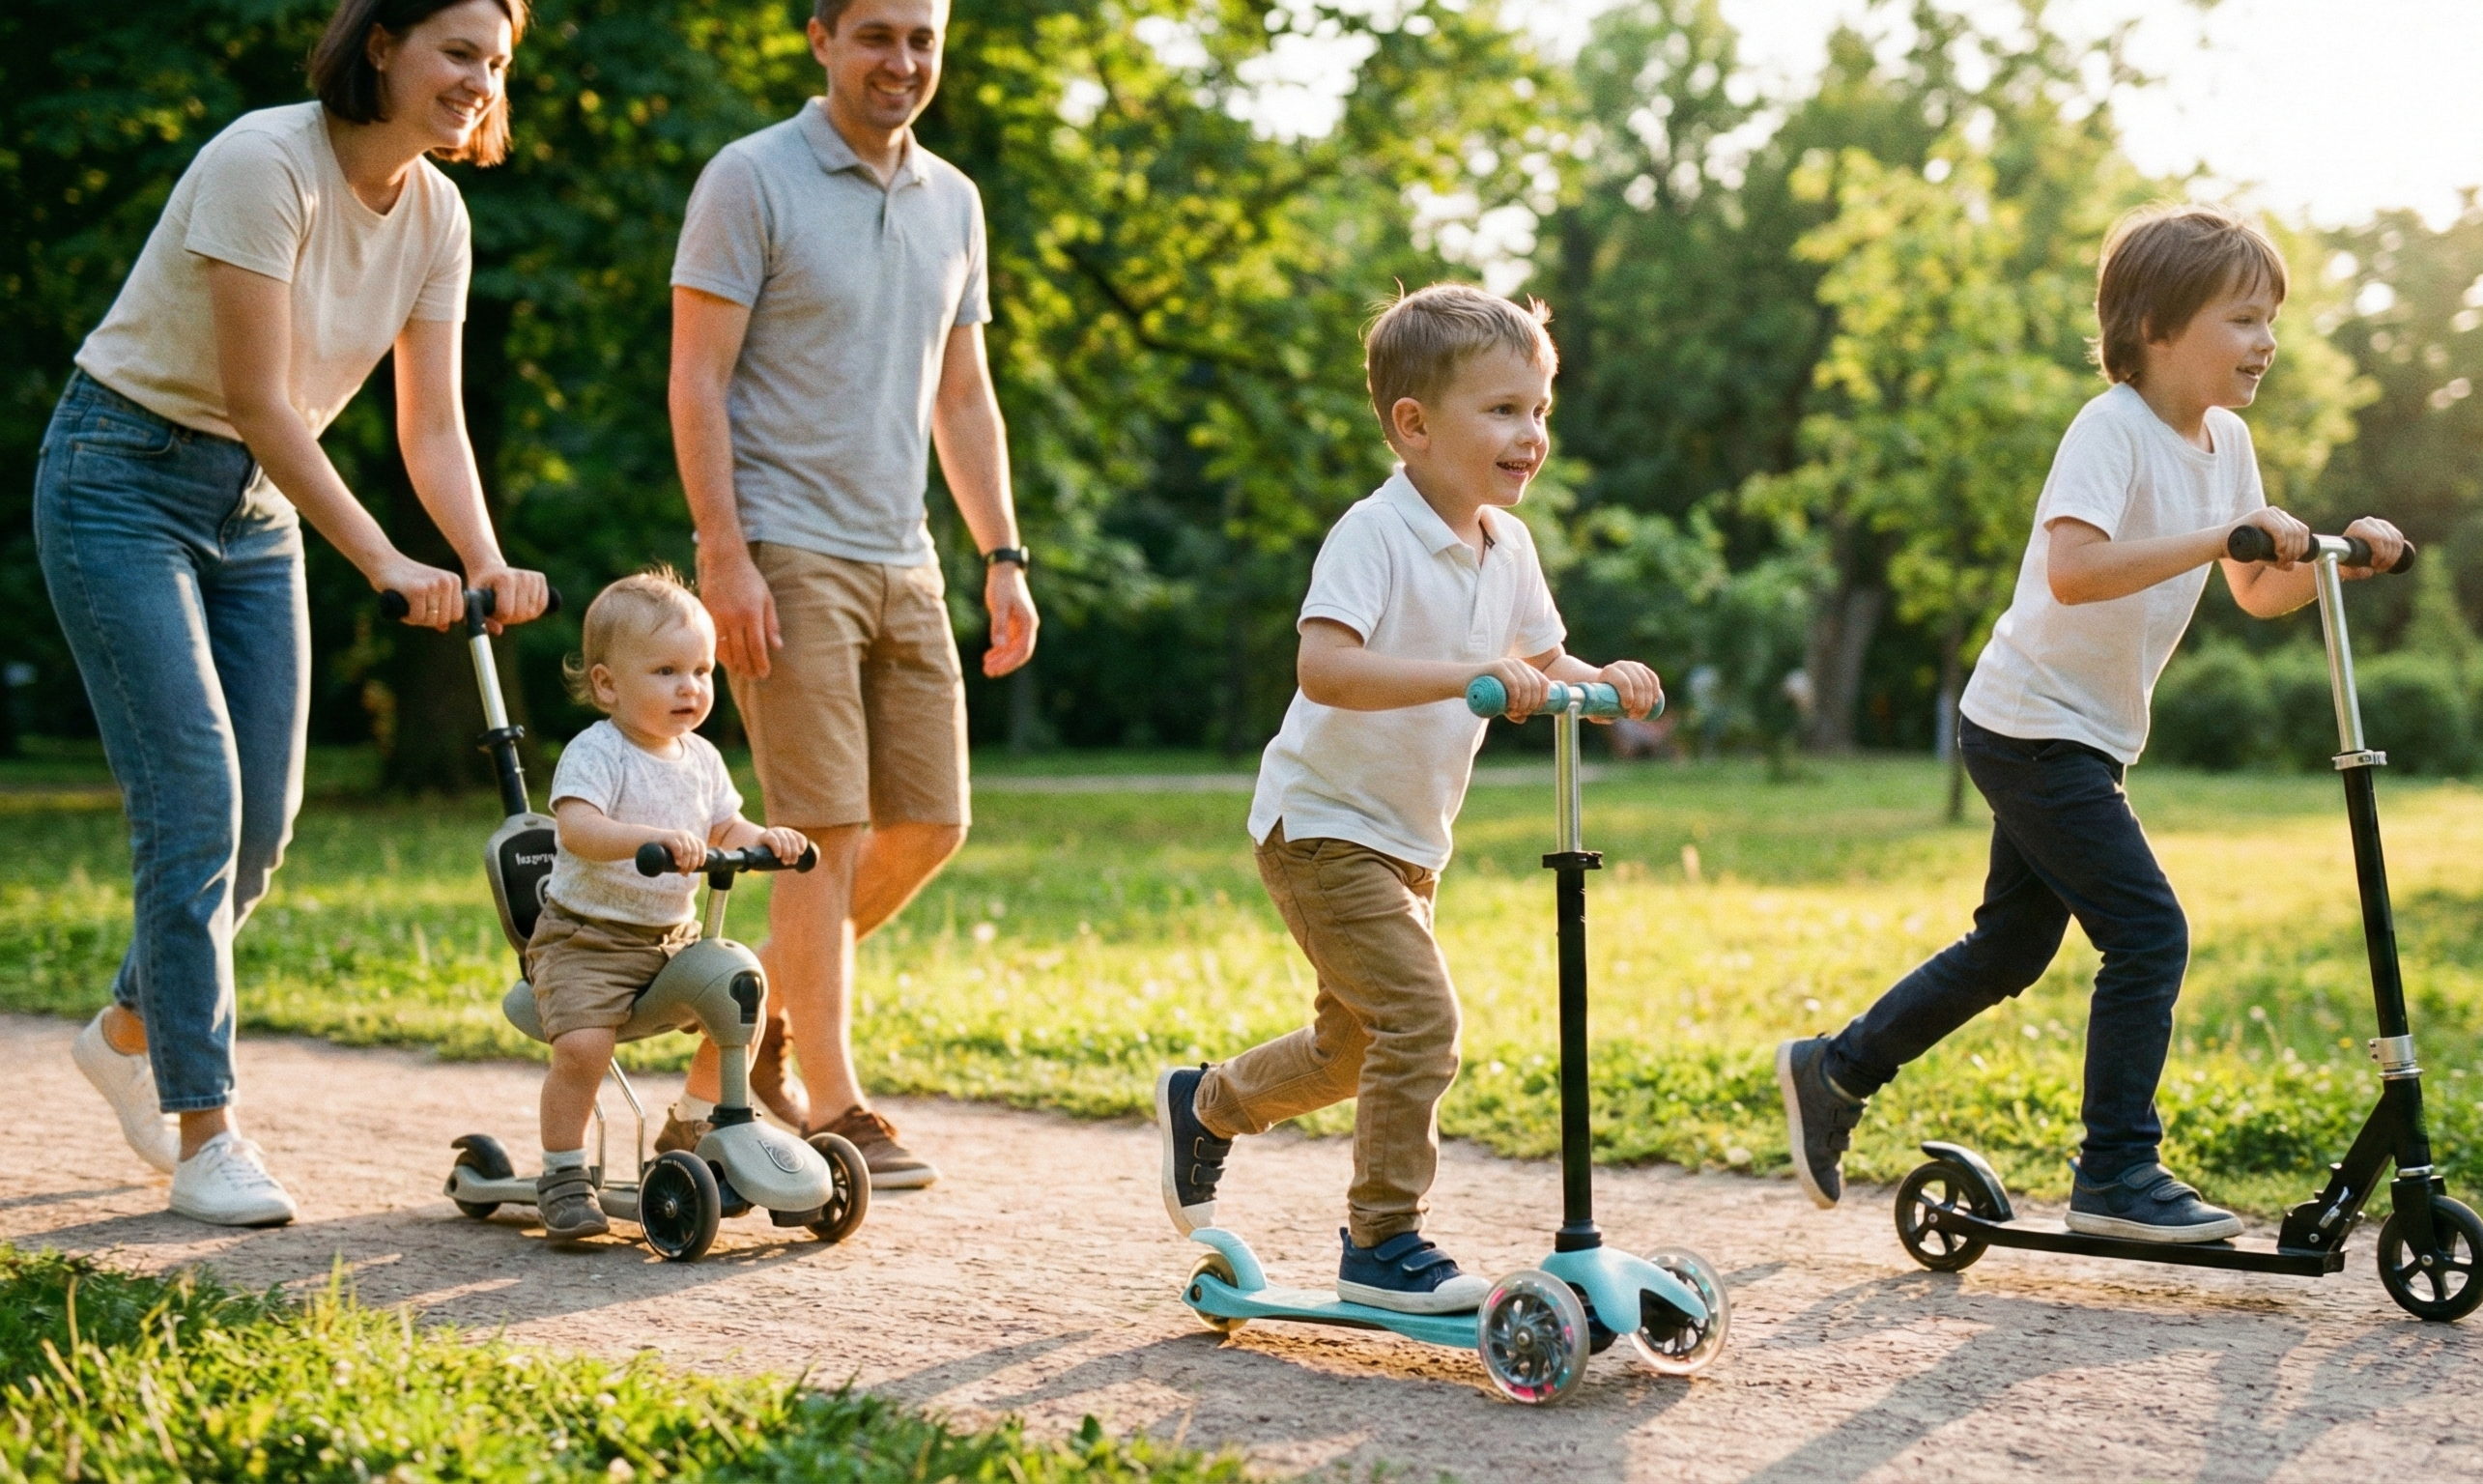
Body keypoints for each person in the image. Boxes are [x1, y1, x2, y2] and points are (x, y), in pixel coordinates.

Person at [1776, 203, 2407, 1242]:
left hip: (2084, 731)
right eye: (2242, 319)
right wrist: (2219, 535)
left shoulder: (2226, 442)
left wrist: (2343, 558)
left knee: (2008, 951)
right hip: (2029, 721)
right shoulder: (2107, 429)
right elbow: (2072, 572)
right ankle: (2115, 1169)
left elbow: (2251, 587)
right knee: (2147, 930)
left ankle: (1833, 1069)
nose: (2265, 342)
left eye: (2269, 321)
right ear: (2156, 327)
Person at [48, 0, 549, 1228]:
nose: (476, 80)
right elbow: (263, 400)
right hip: (121, 476)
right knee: (197, 798)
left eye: (494, 62)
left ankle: (128, 1029)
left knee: (263, 824)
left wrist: (482, 558)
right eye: (454, 52)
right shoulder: (262, 162)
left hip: (256, 509)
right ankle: (204, 1129)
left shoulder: (438, 214)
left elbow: (429, 424)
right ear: (381, 44)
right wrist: (383, 560)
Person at [1153, 284, 1663, 1313]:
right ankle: (1381, 1242)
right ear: (1414, 425)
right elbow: (1325, 670)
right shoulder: (1373, 534)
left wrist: (1599, 678)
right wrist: (1466, 670)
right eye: (1503, 410)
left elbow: (1538, 655)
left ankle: (1206, 1105)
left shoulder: (1504, 545)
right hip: (1320, 829)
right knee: (1421, 1023)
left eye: (1539, 410)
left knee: (1353, 1048)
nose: (1531, 435)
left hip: (1405, 842)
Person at [665, 0, 1036, 1188]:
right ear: (819, 37)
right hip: (784, 545)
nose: (903, 61)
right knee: (819, 831)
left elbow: (963, 396)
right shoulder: (750, 178)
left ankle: (739, 1024)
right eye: (877, 34)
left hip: (906, 554)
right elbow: (697, 378)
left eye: (922, 38)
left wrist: (1002, 554)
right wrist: (723, 555)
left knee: (929, 820)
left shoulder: (954, 201)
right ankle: (835, 1099)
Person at [527, 571, 810, 1243]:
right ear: (607, 685)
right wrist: (649, 841)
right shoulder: (597, 753)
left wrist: (766, 840)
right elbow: (577, 830)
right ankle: (563, 1173)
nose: (690, 688)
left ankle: (690, 1122)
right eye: (665, 671)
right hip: (585, 942)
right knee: (584, 1047)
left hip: (671, 937)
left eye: (701, 670)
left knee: (738, 1005)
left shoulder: (703, 758)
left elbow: (725, 829)